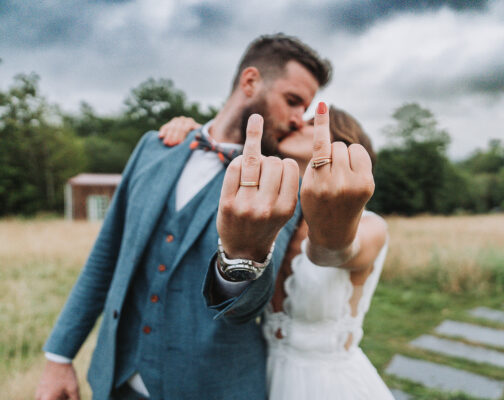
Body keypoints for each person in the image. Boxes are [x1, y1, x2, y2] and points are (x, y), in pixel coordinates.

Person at [36, 34, 332, 400]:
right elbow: (105, 256)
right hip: (114, 381)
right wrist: (59, 356)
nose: (298, 120)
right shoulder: (153, 148)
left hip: (211, 388)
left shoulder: (283, 184)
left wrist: (243, 253)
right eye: (293, 102)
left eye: (305, 108)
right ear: (250, 81)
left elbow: (245, 308)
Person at [160, 104, 393, 399]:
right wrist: (192, 129)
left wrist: (331, 233)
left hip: (328, 386)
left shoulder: (372, 227)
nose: (296, 123)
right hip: (260, 378)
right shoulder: (270, 216)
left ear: (341, 144)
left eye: (310, 122)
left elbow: (334, 251)